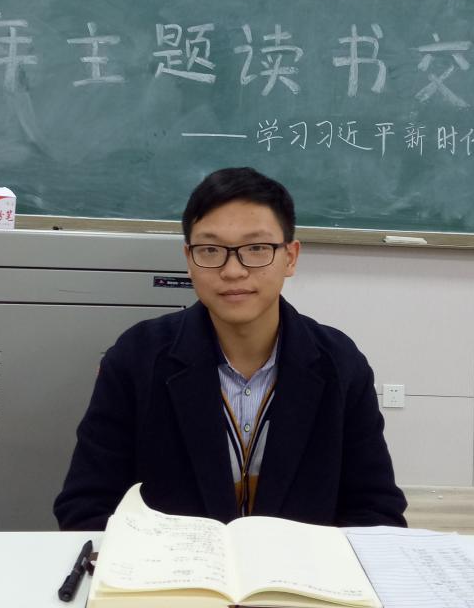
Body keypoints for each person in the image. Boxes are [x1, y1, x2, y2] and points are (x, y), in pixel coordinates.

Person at [53, 167, 406, 530]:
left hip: (297, 567)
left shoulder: (340, 363)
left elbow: (376, 512)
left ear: (291, 257)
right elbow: (86, 506)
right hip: (172, 566)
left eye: (257, 248)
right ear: (189, 259)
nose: (233, 271)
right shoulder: (136, 358)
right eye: (210, 250)